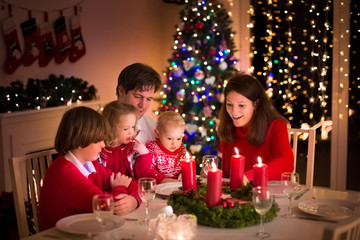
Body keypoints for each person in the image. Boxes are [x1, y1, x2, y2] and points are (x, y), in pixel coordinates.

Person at [38, 106, 140, 231]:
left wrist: (134, 200)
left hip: (88, 229)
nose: (103, 145)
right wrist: (120, 187)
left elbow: (131, 182)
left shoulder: (90, 164)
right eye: (98, 141)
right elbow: (109, 208)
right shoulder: (64, 174)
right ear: (80, 141)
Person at [217, 74, 294, 181]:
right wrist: (213, 175)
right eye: (229, 104)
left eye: (241, 105)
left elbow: (287, 162)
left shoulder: (276, 125)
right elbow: (227, 176)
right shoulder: (228, 128)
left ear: (256, 104)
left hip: (270, 195)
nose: (234, 112)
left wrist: (249, 176)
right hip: (237, 196)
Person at [99, 100, 152, 179]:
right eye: (126, 129)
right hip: (106, 190)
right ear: (110, 128)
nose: (131, 132)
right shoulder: (99, 151)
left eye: (133, 127)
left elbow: (142, 175)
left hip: (131, 187)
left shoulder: (133, 148)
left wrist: (144, 155)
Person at [117, 63, 162, 145]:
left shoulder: (155, 128)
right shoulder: (99, 128)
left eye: (148, 99)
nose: (143, 105)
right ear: (122, 91)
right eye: (137, 96)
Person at [146, 111, 189, 184]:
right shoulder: (152, 148)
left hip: (177, 184)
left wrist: (184, 174)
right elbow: (148, 170)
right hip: (159, 185)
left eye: (178, 139)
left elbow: (188, 166)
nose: (174, 143)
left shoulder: (182, 149)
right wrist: (162, 179)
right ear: (157, 134)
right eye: (169, 138)